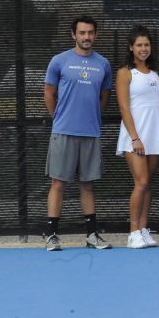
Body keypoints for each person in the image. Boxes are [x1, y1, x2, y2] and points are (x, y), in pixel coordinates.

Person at [43, 15, 113, 251]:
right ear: (73, 35)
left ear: (96, 34)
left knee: (87, 184)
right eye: (82, 33)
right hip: (63, 131)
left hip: (90, 133)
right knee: (58, 184)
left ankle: (92, 235)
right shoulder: (59, 61)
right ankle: (52, 236)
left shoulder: (103, 64)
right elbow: (49, 94)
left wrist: (90, 118)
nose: (86, 37)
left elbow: (104, 97)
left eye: (90, 32)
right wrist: (61, 119)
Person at [116, 24, 159, 249]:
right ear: (131, 47)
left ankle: (143, 229)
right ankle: (133, 232)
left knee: (148, 184)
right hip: (134, 135)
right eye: (139, 45)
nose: (143, 48)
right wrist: (135, 137)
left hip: (154, 134)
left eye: (146, 44)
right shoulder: (125, 73)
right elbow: (123, 107)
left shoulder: (155, 74)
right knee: (141, 182)